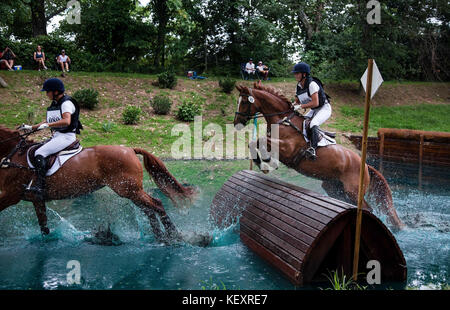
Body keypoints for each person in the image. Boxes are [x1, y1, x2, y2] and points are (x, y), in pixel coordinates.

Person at [20, 78, 83, 199]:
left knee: (40, 152)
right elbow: (49, 120)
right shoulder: (56, 103)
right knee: (35, 148)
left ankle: (40, 186)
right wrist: (31, 127)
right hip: (57, 136)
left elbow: (66, 121)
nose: (46, 94)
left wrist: (48, 125)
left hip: (66, 137)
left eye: (47, 91)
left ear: (55, 91)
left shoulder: (66, 103)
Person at [292, 62, 331, 160]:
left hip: (324, 108)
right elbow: (297, 101)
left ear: (304, 74)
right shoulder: (299, 86)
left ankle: (313, 149)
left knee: (313, 123)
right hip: (314, 110)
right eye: (295, 73)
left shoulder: (312, 84)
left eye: (297, 73)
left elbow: (315, 103)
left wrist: (301, 106)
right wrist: (292, 105)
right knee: (302, 122)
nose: (295, 75)